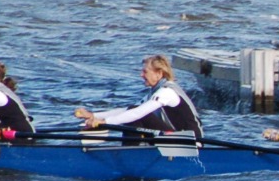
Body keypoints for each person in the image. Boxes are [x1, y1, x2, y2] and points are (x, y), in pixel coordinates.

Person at [74, 54, 203, 138]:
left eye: (145, 71)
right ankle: (131, 151)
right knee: (132, 110)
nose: (141, 75)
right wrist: (94, 116)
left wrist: (104, 122)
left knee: (136, 114)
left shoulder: (167, 92)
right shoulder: (156, 92)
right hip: (178, 137)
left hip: (191, 142)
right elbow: (127, 110)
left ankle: (130, 153)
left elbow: (138, 113)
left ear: (159, 74)